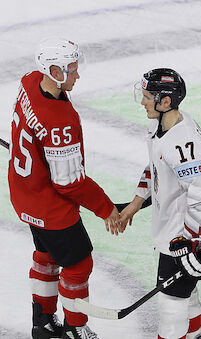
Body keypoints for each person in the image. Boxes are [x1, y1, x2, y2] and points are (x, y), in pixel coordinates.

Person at [8, 37, 122, 339]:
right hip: (50, 207)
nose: (77, 75)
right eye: (71, 69)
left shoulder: (30, 81)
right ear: (54, 71)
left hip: (24, 195)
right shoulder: (61, 121)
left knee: (45, 255)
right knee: (78, 263)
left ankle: (42, 323)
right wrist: (106, 208)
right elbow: (69, 183)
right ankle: (74, 327)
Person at [118, 68, 201, 339]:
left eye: (148, 96)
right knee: (187, 294)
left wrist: (189, 240)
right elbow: (153, 167)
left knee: (171, 304)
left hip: (183, 233)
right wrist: (136, 203)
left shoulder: (183, 141)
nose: (142, 102)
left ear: (166, 102)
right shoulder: (161, 125)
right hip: (176, 228)